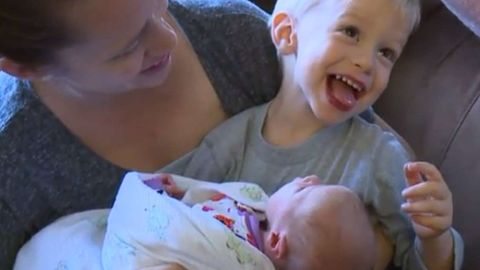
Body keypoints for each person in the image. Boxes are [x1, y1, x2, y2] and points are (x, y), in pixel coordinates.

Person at [158, 0, 464, 269]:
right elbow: (158, 207)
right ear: (287, 33)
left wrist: (434, 236)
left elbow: (416, 260)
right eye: (350, 32)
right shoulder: (232, 143)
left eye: (386, 52)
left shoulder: (379, 157)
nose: (366, 62)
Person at [0, 0, 281, 268]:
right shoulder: (15, 160)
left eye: (160, 4)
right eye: (127, 48)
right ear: (28, 69)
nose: (167, 38)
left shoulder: (236, 37)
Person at [14, 172, 376, 270]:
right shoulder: (254, 208)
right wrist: (181, 192)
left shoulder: (243, 259)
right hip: (153, 220)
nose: (310, 178)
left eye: (307, 192)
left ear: (278, 245)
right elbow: (208, 199)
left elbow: (191, 243)